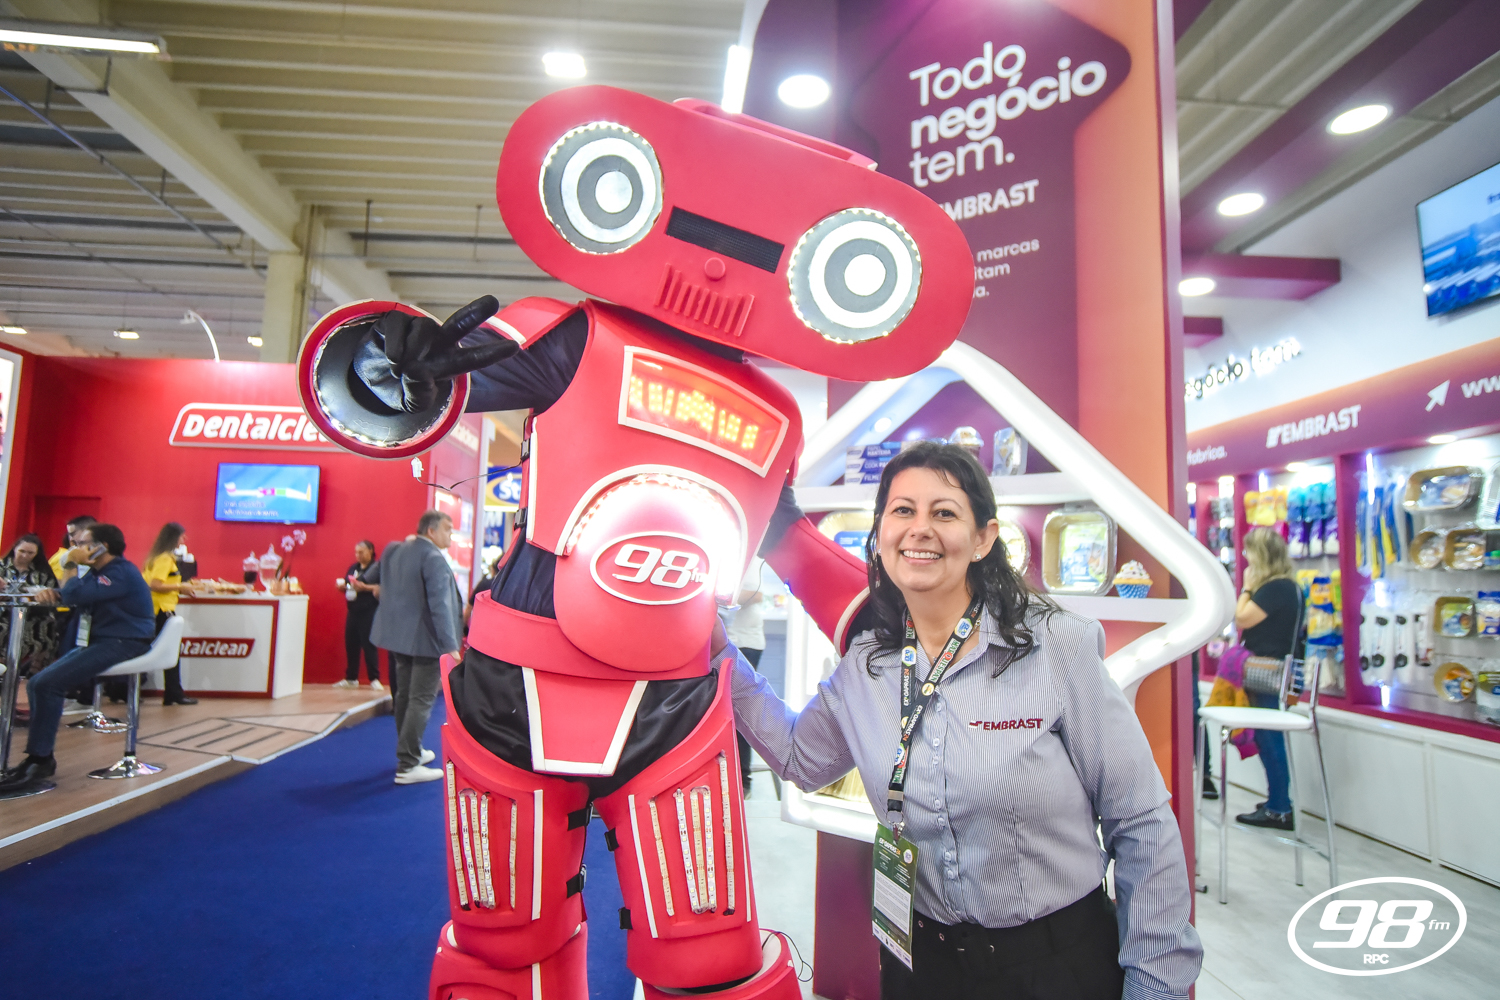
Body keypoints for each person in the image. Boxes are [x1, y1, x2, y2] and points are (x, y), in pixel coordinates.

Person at [728, 443, 1201, 1000]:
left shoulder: (1054, 646)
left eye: (944, 512)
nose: (919, 529)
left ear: (983, 538)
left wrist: (1154, 985)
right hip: (920, 963)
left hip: (1053, 965)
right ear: (880, 533)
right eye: (903, 510)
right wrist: (713, 650)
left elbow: (1140, 819)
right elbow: (799, 758)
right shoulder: (868, 663)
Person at [0, 523, 156, 798]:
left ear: (101, 547)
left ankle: (40, 759)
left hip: (123, 642)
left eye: (82, 543)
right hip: (102, 641)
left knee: (47, 684)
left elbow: (76, 594)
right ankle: (38, 757)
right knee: (37, 683)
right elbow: (74, 596)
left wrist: (70, 563)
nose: (75, 548)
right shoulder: (100, 572)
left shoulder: (119, 572)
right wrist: (54, 593)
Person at [371, 511, 462, 784]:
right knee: (420, 699)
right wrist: (450, 645)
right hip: (425, 641)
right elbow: (440, 605)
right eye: (447, 528)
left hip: (397, 638)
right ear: (431, 531)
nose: (451, 534)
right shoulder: (433, 557)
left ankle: (412, 751)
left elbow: (373, 575)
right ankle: (408, 764)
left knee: (404, 696)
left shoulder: (394, 549)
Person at [1232, 527, 1303, 831]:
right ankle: (1277, 800)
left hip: (1267, 672)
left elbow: (1242, 617)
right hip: (1274, 671)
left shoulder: (1276, 588)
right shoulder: (1287, 587)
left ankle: (1279, 808)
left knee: (1269, 737)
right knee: (1267, 736)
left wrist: (1247, 588)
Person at [0, 534, 63, 696]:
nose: (25, 556)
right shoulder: (2, 568)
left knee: (47, 629)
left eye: (30, 553)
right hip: (4, 614)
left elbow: (53, 595)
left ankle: (33, 679)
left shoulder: (43, 573)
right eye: (22, 551)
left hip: (34, 615)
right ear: (14, 549)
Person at [143, 522, 198, 706]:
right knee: (171, 650)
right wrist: (180, 586)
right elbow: (155, 585)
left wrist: (180, 589)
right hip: (162, 610)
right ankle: (174, 693)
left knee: (162, 649)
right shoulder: (165, 559)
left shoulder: (156, 557)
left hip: (155, 609)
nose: (184, 539)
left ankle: (173, 692)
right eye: (182, 536)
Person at [726, 557, 767, 794]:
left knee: (737, 711)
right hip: (729, 641)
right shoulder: (730, 558)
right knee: (726, 711)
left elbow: (756, 595)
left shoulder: (750, 560)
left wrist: (716, 596)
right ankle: (736, 778)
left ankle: (743, 780)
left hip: (745, 643)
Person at [335, 540, 384, 691]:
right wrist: (342, 587)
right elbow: (347, 584)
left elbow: (381, 588)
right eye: (356, 552)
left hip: (369, 610)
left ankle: (374, 678)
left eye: (361, 552)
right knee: (351, 643)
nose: (358, 555)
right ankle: (351, 678)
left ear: (370, 551)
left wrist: (364, 587)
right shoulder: (353, 568)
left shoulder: (376, 568)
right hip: (353, 610)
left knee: (369, 644)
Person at [47, 515, 96, 581]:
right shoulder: (68, 556)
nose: (71, 539)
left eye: (73, 534)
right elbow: (65, 586)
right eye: (69, 535)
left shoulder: (104, 557)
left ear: (87, 531)